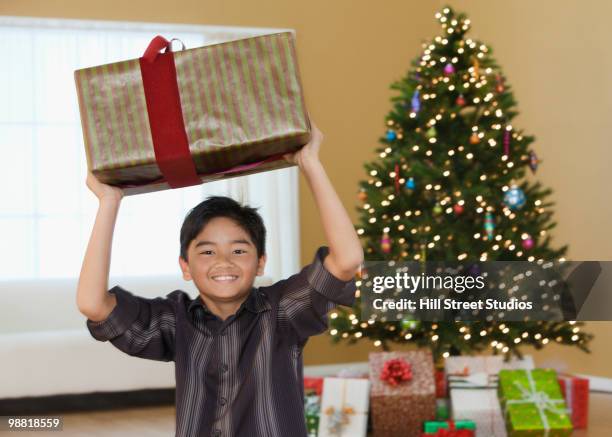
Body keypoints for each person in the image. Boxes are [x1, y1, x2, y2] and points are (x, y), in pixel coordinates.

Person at [76, 118, 364, 437]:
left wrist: (310, 164)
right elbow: (92, 304)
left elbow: (347, 259)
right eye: (208, 252)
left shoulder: (282, 311)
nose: (224, 262)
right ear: (185, 266)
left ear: (260, 263)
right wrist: (109, 201)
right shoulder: (176, 320)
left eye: (239, 251)